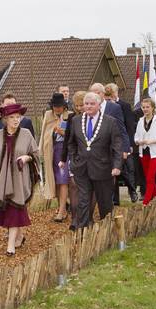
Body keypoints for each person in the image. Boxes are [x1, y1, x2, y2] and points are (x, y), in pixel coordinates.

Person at [0, 103, 40, 256]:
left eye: (18, 117)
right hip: (2, 181)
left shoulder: (26, 134)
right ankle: (19, 236)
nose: (16, 120)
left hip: (19, 180)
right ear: (5, 119)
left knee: (14, 211)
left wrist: (27, 157)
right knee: (9, 211)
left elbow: (36, 154)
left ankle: (10, 246)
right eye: (12, 117)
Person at [61, 92, 123, 230]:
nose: (88, 106)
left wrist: (117, 165)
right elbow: (70, 143)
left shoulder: (110, 122)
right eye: (86, 104)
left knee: (105, 202)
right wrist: (73, 158)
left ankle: (108, 231)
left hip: (103, 169)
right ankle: (82, 230)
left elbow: (117, 145)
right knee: (83, 200)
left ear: (99, 105)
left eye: (92, 104)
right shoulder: (76, 121)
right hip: (82, 168)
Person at [90, 82, 130, 205]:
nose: (95, 95)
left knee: (111, 176)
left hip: (111, 148)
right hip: (95, 150)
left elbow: (121, 128)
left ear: (103, 94)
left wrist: (125, 148)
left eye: (98, 92)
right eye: (93, 92)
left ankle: (111, 201)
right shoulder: (89, 109)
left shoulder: (114, 108)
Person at [105, 83, 139, 203]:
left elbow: (128, 126)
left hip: (122, 142)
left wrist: (128, 145)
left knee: (125, 170)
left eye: (111, 93)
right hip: (109, 143)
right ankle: (115, 199)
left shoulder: (124, 105)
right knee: (113, 172)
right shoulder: (103, 106)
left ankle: (132, 191)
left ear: (116, 92)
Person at [40, 92, 70, 222]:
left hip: (64, 152)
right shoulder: (48, 115)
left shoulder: (69, 116)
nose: (57, 109)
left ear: (64, 106)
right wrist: (41, 149)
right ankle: (61, 208)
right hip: (51, 151)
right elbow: (43, 133)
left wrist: (62, 133)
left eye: (59, 106)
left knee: (63, 180)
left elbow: (72, 136)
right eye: (55, 106)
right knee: (56, 181)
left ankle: (62, 210)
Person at [134, 98, 156, 205]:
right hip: (143, 152)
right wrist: (139, 141)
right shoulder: (140, 121)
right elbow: (136, 137)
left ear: (153, 108)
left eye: (147, 107)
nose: (145, 109)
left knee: (150, 177)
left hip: (155, 153)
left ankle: (146, 202)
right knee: (148, 178)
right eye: (143, 107)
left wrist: (154, 140)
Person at [61, 91, 87, 226]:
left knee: (86, 189)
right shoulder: (71, 118)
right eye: (76, 106)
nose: (79, 108)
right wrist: (63, 158)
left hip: (88, 157)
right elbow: (67, 139)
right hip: (74, 156)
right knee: (73, 185)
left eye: (81, 105)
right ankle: (75, 218)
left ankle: (85, 217)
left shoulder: (92, 118)